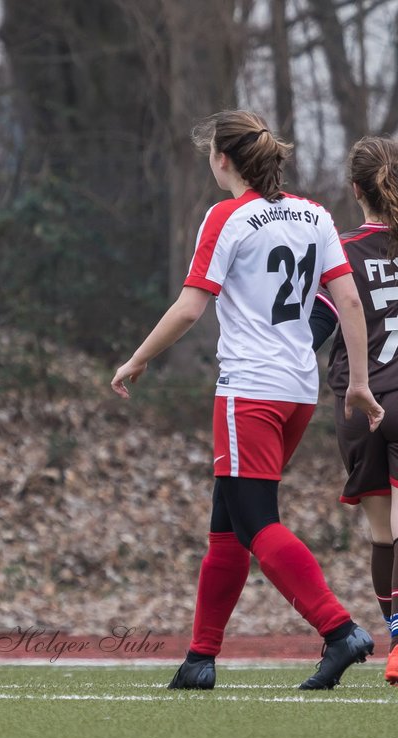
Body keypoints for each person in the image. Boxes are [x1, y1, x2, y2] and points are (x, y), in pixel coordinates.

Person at [111, 110, 383, 691]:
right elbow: (350, 305)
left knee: (257, 524)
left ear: (223, 160)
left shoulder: (226, 217)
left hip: (248, 393)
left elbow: (190, 307)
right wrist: (357, 380)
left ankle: (339, 630)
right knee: (228, 526)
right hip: (296, 392)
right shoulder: (315, 215)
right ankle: (200, 658)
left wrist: (137, 358)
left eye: (211, 152)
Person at [308, 136, 398, 683]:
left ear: (354, 188)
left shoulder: (340, 251)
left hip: (358, 406)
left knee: (383, 536)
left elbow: (314, 331)